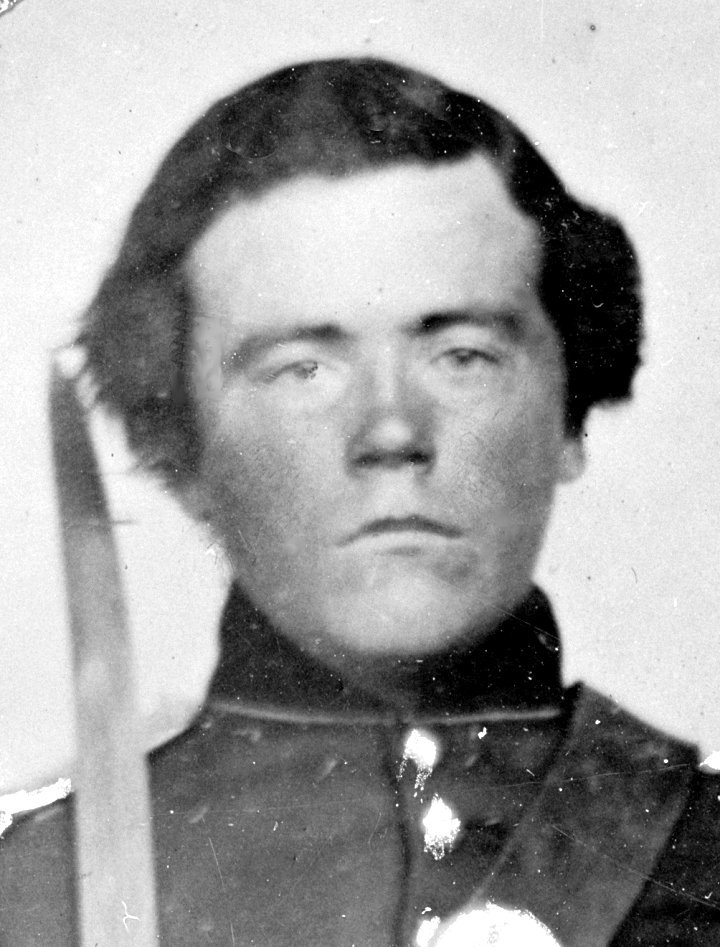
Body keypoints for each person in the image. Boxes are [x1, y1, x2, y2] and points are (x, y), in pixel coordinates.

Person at [1, 57, 719, 946]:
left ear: (569, 416)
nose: (391, 430)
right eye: (302, 367)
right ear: (181, 453)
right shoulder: (30, 888)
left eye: (462, 355)